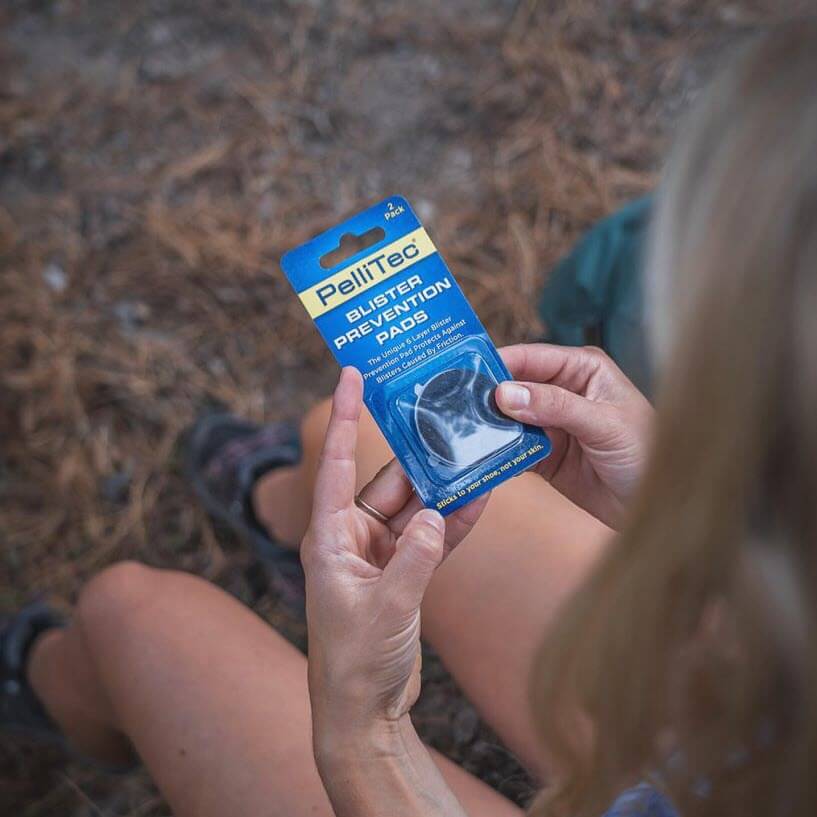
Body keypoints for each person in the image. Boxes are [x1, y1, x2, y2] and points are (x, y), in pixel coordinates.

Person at [1, 22, 815, 817]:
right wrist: (677, 522)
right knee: (346, 440)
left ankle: (51, 683)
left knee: (133, 614)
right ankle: (288, 524)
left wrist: (365, 738)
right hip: (756, 697)